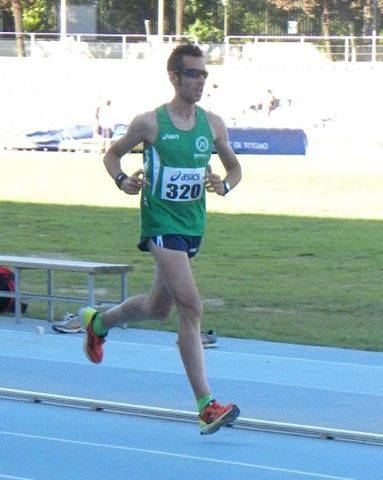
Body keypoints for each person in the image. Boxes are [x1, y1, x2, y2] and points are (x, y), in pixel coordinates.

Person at [79, 44, 242, 435]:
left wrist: (224, 185)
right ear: (174, 77)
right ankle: (206, 404)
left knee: (157, 309)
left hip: (191, 227)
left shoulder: (213, 124)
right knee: (191, 306)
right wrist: (122, 181)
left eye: (204, 74)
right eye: (192, 74)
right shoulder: (150, 123)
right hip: (159, 224)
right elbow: (112, 155)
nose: (200, 80)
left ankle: (100, 322)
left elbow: (235, 168)